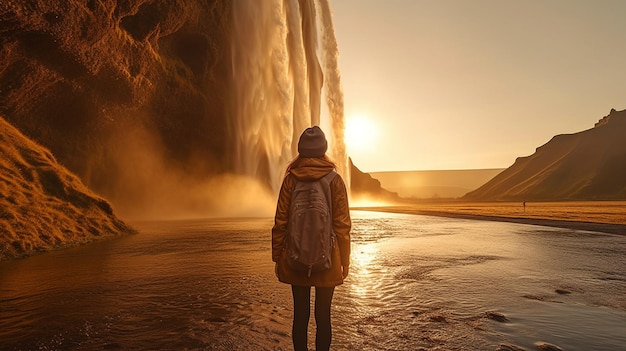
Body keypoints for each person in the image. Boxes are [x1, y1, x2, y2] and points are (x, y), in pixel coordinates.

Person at [272, 126, 351, 351]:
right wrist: (345, 260)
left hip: (295, 258)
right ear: (323, 149)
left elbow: (280, 223)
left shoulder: (290, 180)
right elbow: (343, 225)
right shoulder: (335, 180)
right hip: (329, 259)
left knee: (300, 316)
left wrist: (277, 256)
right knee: (323, 317)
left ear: (301, 151)